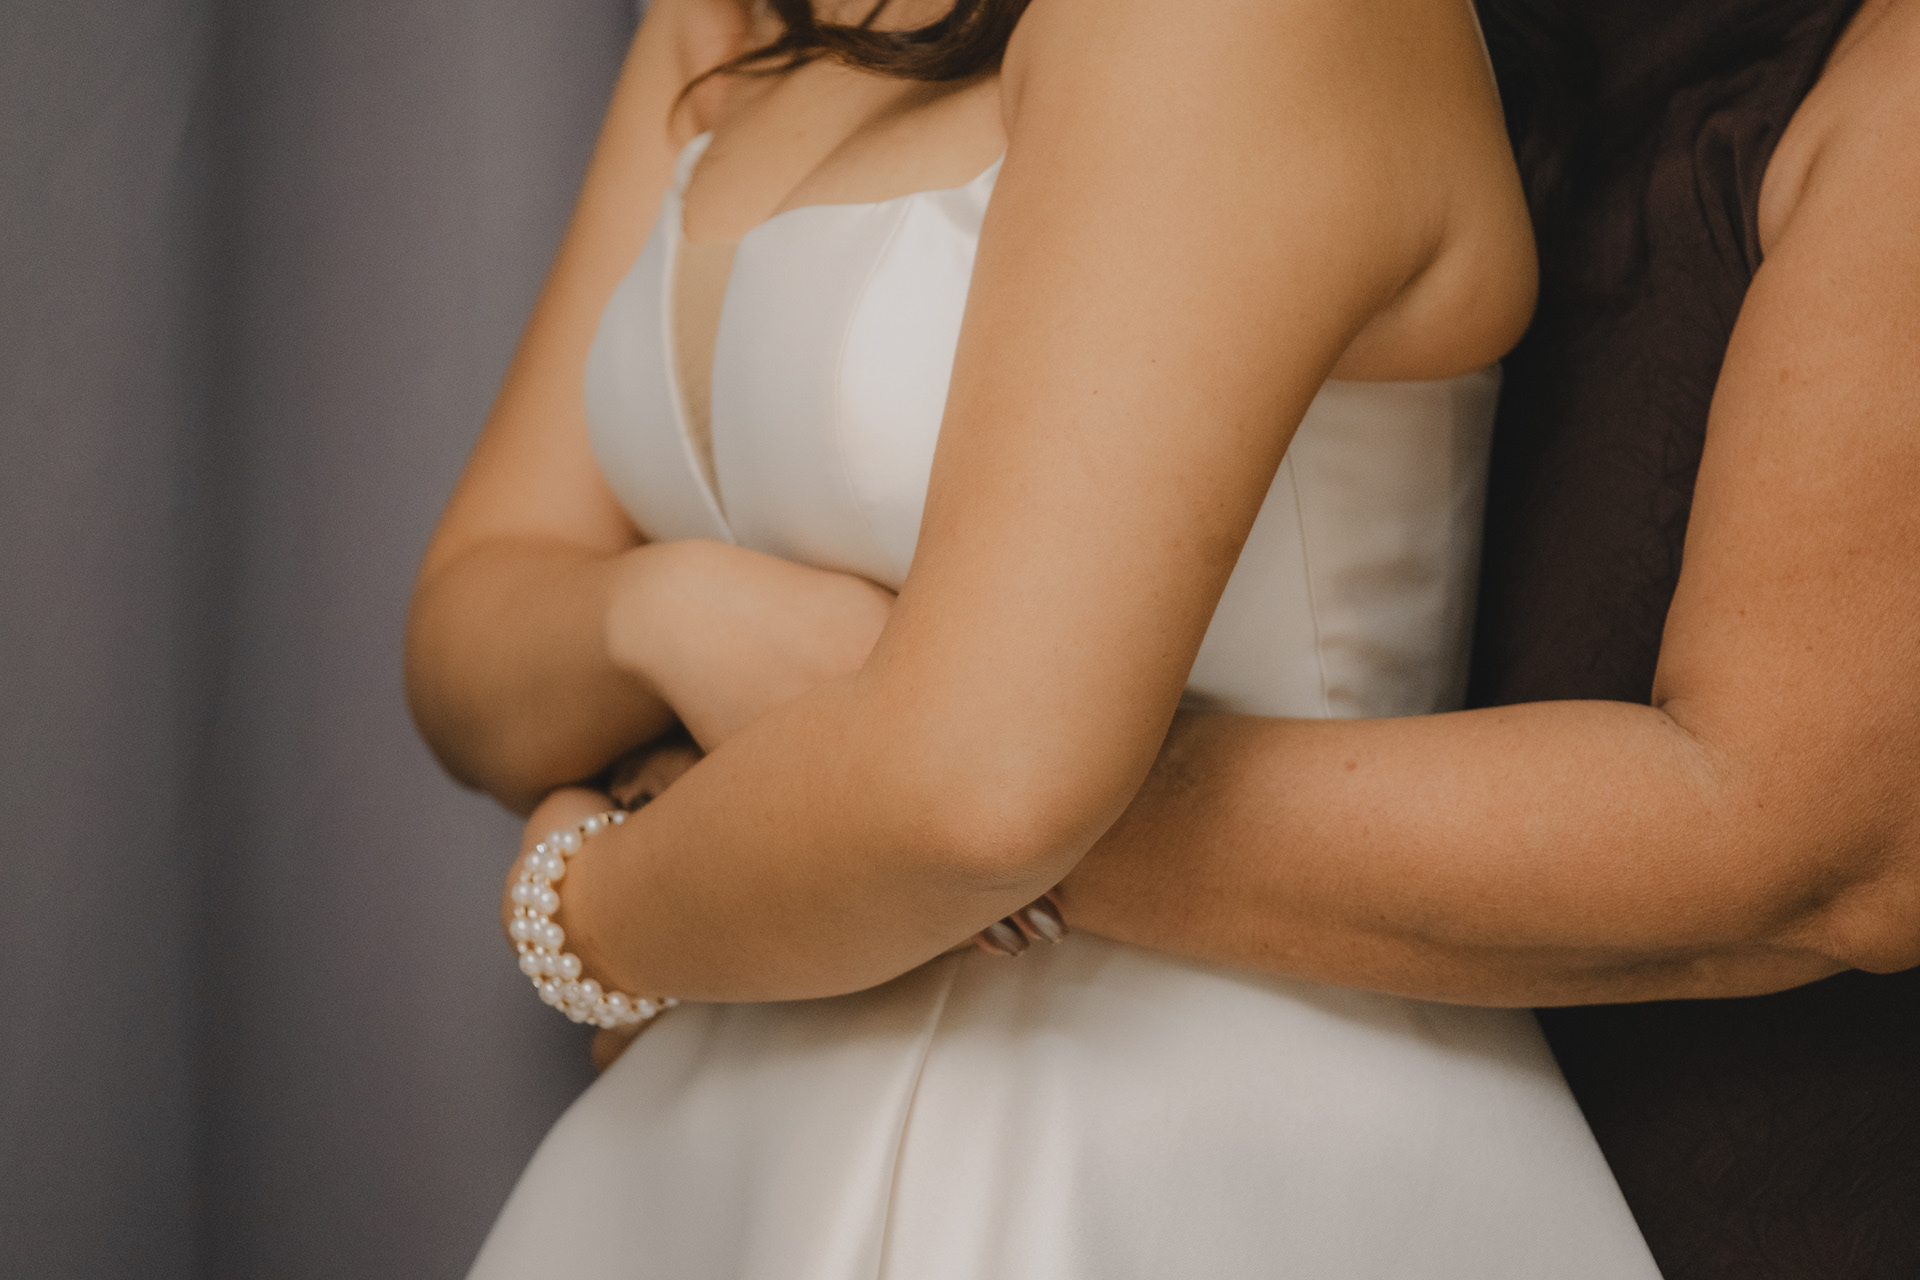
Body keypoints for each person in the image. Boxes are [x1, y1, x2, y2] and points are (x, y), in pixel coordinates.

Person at [405, 0, 1667, 1273]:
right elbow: (466, 629)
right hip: (708, 1155)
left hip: (1185, 1147)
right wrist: (674, 615)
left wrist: (584, 902)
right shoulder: (726, 23)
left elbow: (973, 792)